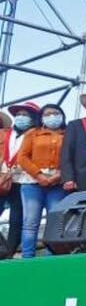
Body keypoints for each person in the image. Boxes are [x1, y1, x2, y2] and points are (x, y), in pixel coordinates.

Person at [15, 104, 66, 258]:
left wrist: (60, 175)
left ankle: (51, 257)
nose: (52, 116)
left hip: (58, 183)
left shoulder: (68, 134)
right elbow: (22, 157)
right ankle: (28, 258)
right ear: (42, 118)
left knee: (55, 222)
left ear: (62, 116)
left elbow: (72, 157)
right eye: (48, 114)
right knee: (30, 223)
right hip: (32, 183)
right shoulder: (33, 133)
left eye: (56, 113)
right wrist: (38, 175)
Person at [0, 102, 38, 258]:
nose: (20, 118)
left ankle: (8, 253)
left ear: (33, 118)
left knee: (17, 219)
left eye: (25, 115)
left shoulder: (37, 135)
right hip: (3, 178)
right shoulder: (6, 134)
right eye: (18, 115)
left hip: (23, 180)